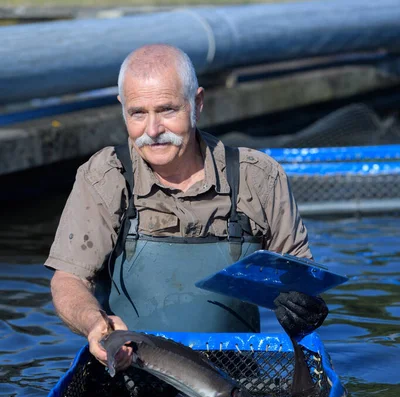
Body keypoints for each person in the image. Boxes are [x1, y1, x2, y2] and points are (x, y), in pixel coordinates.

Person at [45, 44, 328, 373]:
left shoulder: (258, 177)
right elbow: (68, 280)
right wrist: (95, 325)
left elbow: (301, 278)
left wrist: (305, 305)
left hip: (233, 377)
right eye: (138, 113)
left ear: (197, 103)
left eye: (167, 110)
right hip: (131, 371)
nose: (152, 131)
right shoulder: (106, 176)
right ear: (122, 108)